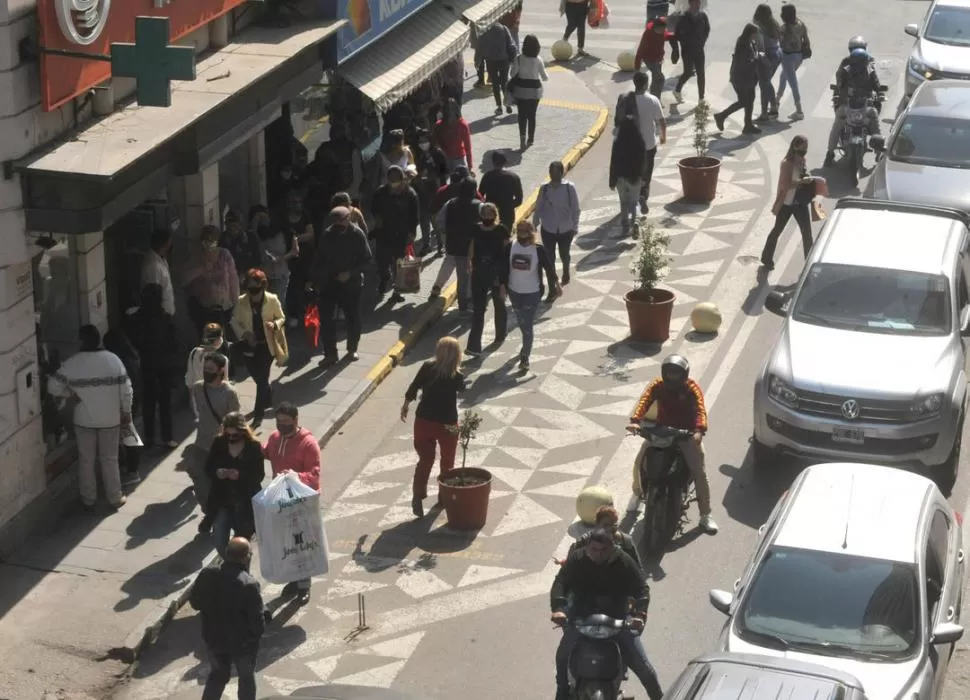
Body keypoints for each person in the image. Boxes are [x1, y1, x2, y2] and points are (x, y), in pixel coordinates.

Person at [551, 529, 663, 700]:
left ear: (612, 547)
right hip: (581, 618)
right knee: (562, 657)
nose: (599, 554)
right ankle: (561, 691)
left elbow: (642, 589)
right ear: (588, 548)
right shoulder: (577, 559)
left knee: (644, 668)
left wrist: (640, 614)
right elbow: (561, 581)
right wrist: (558, 608)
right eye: (594, 550)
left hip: (617, 620)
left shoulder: (624, 561)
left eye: (604, 550)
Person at [627, 354, 718, 534]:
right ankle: (637, 495)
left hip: (687, 434)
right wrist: (635, 420)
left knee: (699, 472)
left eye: (676, 375)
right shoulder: (657, 385)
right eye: (669, 374)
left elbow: (701, 410)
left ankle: (705, 515)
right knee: (640, 461)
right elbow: (644, 401)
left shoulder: (692, 388)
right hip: (663, 431)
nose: (672, 378)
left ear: (684, 375)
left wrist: (699, 430)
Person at [47, 324, 133, 509]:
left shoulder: (73, 363)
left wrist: (70, 394)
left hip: (84, 420)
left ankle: (88, 498)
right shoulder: (113, 360)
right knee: (110, 458)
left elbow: (52, 386)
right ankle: (115, 497)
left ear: (81, 341)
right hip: (110, 419)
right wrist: (126, 412)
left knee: (86, 459)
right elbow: (127, 390)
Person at [189, 536, 265, 700]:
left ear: (226, 553)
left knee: (218, 676)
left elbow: (195, 603)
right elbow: (257, 623)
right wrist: (253, 641)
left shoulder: (207, 574)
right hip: (242, 645)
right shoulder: (249, 584)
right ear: (246, 557)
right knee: (246, 679)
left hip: (214, 639)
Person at [401, 337, 465, 518]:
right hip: (447, 424)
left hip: (423, 422)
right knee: (447, 462)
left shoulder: (428, 367)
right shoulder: (456, 375)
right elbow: (463, 389)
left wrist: (405, 406)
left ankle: (417, 495)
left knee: (425, 459)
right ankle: (443, 497)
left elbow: (413, 387)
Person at [263, 402, 321, 600]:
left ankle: (304, 585)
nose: (281, 426)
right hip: (281, 501)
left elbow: (314, 474)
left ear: (296, 420)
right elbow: (266, 452)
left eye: (286, 422)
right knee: (286, 543)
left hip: (301, 502)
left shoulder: (308, 444)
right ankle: (293, 579)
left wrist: (296, 476)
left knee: (301, 543)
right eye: (278, 422)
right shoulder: (274, 438)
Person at [311, 206, 372, 366]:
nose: (338, 226)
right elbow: (319, 259)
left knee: (352, 317)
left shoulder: (357, 234)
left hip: (351, 284)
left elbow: (367, 260)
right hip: (329, 283)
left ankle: (352, 349)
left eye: (341, 222)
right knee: (326, 319)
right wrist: (316, 281)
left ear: (348, 219)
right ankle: (330, 353)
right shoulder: (327, 234)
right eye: (335, 223)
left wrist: (350, 273)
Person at [500, 221, 561, 371]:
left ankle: (525, 357)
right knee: (522, 323)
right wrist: (502, 286)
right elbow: (503, 267)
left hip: (532, 293)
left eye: (524, 230)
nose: (521, 233)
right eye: (519, 230)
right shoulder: (510, 247)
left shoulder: (538, 250)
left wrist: (557, 285)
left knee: (527, 326)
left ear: (531, 232)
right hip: (514, 292)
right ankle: (525, 349)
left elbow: (549, 268)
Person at [190, 352, 241, 534]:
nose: (206, 372)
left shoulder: (229, 393)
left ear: (220, 371)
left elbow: (235, 421)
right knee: (197, 477)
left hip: (221, 447)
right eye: (205, 369)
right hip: (201, 444)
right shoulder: (197, 388)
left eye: (210, 369)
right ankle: (210, 511)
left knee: (222, 483)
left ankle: (221, 515)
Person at [205, 413, 265, 558]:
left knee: (241, 546)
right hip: (223, 501)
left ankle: (240, 571)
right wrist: (218, 472)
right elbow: (208, 468)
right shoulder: (219, 443)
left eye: (235, 434)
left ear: (243, 431)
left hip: (244, 503)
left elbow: (259, 475)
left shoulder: (253, 447)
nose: (231, 438)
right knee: (219, 540)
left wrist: (240, 475)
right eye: (228, 434)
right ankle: (230, 566)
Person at [231, 269, 285, 421]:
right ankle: (267, 395)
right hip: (249, 346)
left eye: (256, 289)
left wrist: (274, 324)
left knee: (262, 379)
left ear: (263, 286)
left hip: (266, 346)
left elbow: (282, 317)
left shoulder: (272, 300)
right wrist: (244, 333)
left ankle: (258, 413)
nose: (253, 293)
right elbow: (234, 321)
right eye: (250, 288)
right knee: (257, 377)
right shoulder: (241, 301)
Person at [131, 283, 179, 449]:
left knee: (148, 403)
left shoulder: (136, 319)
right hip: (164, 366)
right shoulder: (165, 318)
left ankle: (149, 438)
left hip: (146, 366)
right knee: (165, 403)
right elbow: (174, 343)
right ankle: (167, 437)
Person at [824, 37, 882, 166]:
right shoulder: (867, 64)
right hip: (858, 106)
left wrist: (879, 93)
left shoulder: (849, 65)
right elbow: (876, 83)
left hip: (853, 105)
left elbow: (839, 82)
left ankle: (830, 153)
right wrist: (880, 92)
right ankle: (879, 152)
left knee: (838, 123)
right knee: (873, 119)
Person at [761, 135, 816, 270]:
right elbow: (786, 185)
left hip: (799, 203)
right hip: (787, 203)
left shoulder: (802, 160)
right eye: (803, 147)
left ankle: (809, 265)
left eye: (806, 148)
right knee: (777, 231)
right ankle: (766, 258)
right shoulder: (787, 163)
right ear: (795, 146)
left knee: (807, 234)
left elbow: (800, 175)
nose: (805, 150)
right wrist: (802, 182)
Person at [614, 72, 666, 212]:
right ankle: (643, 195)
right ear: (645, 84)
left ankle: (630, 201)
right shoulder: (653, 100)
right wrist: (663, 137)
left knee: (632, 173)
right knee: (646, 175)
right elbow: (661, 121)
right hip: (648, 145)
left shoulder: (627, 100)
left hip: (630, 146)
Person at [466, 203, 510, 356]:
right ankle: (473, 346)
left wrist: (504, 276)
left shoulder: (501, 230)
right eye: (484, 214)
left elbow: (506, 252)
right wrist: (470, 263)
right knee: (478, 309)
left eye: (490, 214)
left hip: (496, 272)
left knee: (499, 304)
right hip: (479, 272)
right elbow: (471, 247)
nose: (487, 217)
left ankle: (500, 333)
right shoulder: (475, 229)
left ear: (495, 215)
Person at [371, 165, 420, 299]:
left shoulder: (410, 194)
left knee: (398, 265)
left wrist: (412, 233)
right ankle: (384, 278)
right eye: (391, 179)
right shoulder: (380, 192)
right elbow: (373, 207)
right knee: (381, 261)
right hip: (383, 234)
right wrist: (377, 218)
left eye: (396, 179)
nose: (394, 182)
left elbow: (414, 216)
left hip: (401, 235)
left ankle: (397, 291)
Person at [433, 177, 482, 311]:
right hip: (473, 248)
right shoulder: (479, 206)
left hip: (454, 245)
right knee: (471, 275)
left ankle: (463, 304)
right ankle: (468, 302)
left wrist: (446, 234)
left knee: (462, 277)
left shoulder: (450, 203)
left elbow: (439, 220)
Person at [183, 225, 240, 340]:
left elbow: (233, 279)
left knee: (222, 338)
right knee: (206, 338)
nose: (209, 243)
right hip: (203, 307)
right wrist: (202, 268)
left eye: (212, 239)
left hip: (224, 306)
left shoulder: (225, 255)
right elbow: (184, 279)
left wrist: (236, 303)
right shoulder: (196, 256)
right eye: (206, 239)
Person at [532, 161, 581, 285]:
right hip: (548, 228)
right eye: (551, 172)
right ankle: (553, 281)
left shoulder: (569, 188)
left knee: (564, 253)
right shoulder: (544, 189)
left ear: (562, 172)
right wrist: (535, 222)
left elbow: (576, 208)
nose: (554, 175)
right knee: (549, 257)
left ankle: (566, 270)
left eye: (556, 172)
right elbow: (539, 207)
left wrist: (575, 226)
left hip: (566, 228)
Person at [713, 24, 762, 135]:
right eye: (755, 34)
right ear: (750, 33)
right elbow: (745, 63)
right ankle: (721, 116)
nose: (756, 36)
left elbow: (754, 55)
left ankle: (748, 125)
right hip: (741, 78)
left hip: (749, 78)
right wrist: (757, 59)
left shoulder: (751, 43)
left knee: (750, 99)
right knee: (744, 101)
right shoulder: (743, 45)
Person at [566, 505, 642, 569]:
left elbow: (638, 570)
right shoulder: (584, 542)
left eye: (613, 525)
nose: (609, 529)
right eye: (605, 525)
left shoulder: (626, 542)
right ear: (597, 525)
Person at [509, 35, 549, 150]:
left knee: (522, 116)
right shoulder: (538, 59)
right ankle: (530, 139)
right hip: (535, 92)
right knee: (532, 116)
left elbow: (512, 74)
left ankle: (522, 138)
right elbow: (545, 77)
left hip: (521, 90)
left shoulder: (519, 58)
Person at [609, 115, 647, 235]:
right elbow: (644, 161)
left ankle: (625, 224)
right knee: (634, 202)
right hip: (635, 177)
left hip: (620, 177)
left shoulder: (618, 143)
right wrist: (643, 177)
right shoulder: (640, 142)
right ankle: (635, 221)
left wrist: (612, 181)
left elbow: (613, 162)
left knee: (623, 202)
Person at [413, 129, 448, 255]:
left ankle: (440, 245)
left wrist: (431, 175)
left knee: (436, 220)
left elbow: (444, 172)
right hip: (421, 192)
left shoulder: (438, 153)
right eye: (420, 141)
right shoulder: (418, 155)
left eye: (425, 141)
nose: (423, 144)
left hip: (435, 192)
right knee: (424, 220)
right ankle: (426, 245)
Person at [313, 121, 363, 201]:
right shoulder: (325, 148)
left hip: (340, 195)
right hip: (339, 194)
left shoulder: (351, 149)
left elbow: (357, 176)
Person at [777, 4, 811, 121]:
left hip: (787, 57)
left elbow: (780, 43)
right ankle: (776, 102)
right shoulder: (800, 23)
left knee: (793, 83)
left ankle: (799, 110)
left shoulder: (784, 28)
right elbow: (806, 39)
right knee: (783, 76)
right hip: (799, 56)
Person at [477, 21, 518, 115]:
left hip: (491, 61)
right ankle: (508, 104)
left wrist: (478, 61)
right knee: (504, 82)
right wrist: (513, 57)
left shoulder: (484, 30)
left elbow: (480, 47)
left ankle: (499, 107)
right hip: (504, 60)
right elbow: (511, 44)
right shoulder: (503, 28)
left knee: (495, 83)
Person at [672, 0, 710, 103]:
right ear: (690, 3)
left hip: (699, 49)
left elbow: (707, 29)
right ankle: (677, 90)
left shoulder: (703, 16)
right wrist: (684, 43)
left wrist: (703, 40)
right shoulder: (683, 18)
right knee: (688, 72)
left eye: (699, 3)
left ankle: (701, 98)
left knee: (701, 74)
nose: (698, 5)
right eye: (695, 3)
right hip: (687, 50)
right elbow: (677, 35)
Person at [634, 16, 678, 100]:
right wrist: (637, 67)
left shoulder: (662, 32)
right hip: (649, 59)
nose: (662, 32)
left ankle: (654, 97)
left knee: (656, 79)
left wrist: (676, 36)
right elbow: (640, 51)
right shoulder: (648, 34)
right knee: (660, 79)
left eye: (664, 29)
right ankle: (655, 99)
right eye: (661, 30)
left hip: (659, 58)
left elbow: (666, 36)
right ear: (655, 27)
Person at [479, 151, 523, 233]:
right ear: (505, 162)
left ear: (493, 162)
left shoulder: (487, 176)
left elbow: (480, 196)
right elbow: (519, 200)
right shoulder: (514, 177)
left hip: (490, 215)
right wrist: (508, 206)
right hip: (507, 215)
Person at [753, 3, 782, 122]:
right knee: (767, 82)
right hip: (777, 54)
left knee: (764, 84)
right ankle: (774, 106)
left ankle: (764, 113)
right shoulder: (775, 23)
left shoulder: (759, 28)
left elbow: (760, 48)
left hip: (766, 56)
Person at [140, 229, 176, 316]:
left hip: (168, 313)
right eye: (169, 244)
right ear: (164, 246)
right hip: (162, 316)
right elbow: (154, 298)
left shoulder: (161, 259)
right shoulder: (153, 266)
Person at [220, 210, 262, 285]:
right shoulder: (222, 240)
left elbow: (258, 261)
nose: (233, 229)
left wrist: (247, 274)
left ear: (241, 225)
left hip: (249, 280)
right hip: (229, 281)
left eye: (235, 225)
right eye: (230, 226)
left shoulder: (251, 238)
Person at [433, 99, 473, 172]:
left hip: (459, 159)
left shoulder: (463, 125)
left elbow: (468, 147)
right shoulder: (438, 126)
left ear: (456, 110)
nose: (449, 112)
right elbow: (436, 143)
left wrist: (470, 166)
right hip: (445, 159)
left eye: (452, 109)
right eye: (447, 109)